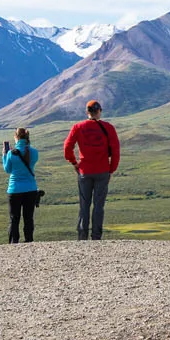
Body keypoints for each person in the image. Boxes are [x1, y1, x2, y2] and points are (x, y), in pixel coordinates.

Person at [63, 100, 120, 241]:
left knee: (84, 205)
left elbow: (67, 147)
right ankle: (96, 237)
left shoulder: (78, 127)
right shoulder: (108, 128)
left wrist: (74, 162)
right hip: (103, 171)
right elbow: (116, 151)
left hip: (84, 171)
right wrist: (111, 170)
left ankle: (82, 237)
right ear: (99, 111)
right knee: (99, 205)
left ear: (87, 112)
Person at [2, 127, 41, 244]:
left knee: (14, 219)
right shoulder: (34, 152)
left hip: (14, 189)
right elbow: (30, 162)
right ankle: (29, 240)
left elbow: (8, 169)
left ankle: (14, 243)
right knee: (28, 218)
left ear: (16, 137)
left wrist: (4, 156)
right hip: (31, 189)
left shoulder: (11, 153)